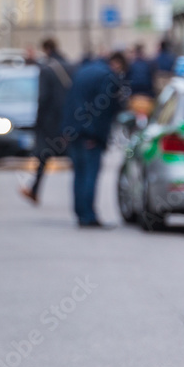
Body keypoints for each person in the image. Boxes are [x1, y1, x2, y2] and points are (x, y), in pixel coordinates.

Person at [62, 51, 127, 227]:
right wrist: (94, 134)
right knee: (90, 174)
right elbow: (103, 109)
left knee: (79, 174)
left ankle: (80, 213)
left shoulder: (83, 71)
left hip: (74, 130)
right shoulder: (107, 76)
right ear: (117, 63)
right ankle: (88, 216)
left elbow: (70, 101)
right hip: (89, 134)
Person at [21, 38, 74, 205]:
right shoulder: (69, 65)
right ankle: (79, 198)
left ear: (45, 49)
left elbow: (42, 98)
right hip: (69, 118)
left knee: (44, 155)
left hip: (50, 120)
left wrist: (38, 120)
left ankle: (35, 189)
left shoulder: (46, 69)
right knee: (74, 156)